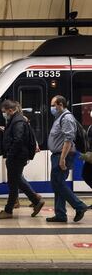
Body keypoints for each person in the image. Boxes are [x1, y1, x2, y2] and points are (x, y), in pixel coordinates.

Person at [0, 100, 45, 219]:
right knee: (16, 181)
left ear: (10, 110)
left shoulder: (18, 121)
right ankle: (35, 200)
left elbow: (18, 139)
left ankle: (9, 210)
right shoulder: (16, 120)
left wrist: (10, 155)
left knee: (14, 183)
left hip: (16, 157)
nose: (4, 114)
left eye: (4, 112)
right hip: (17, 156)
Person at [47, 95, 88, 223]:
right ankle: (60, 214)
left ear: (60, 105)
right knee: (58, 184)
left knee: (58, 183)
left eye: (53, 105)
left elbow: (68, 140)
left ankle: (79, 206)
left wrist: (62, 158)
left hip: (63, 155)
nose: (52, 108)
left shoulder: (66, 118)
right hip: (58, 155)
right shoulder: (59, 117)